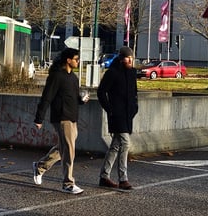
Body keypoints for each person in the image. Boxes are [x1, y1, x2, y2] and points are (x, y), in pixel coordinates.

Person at [33, 47, 88, 194]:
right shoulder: (56, 76)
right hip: (61, 117)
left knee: (63, 148)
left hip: (72, 117)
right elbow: (47, 97)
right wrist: (39, 118)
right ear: (68, 60)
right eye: (76, 59)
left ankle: (40, 166)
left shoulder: (73, 78)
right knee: (69, 151)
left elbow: (75, 98)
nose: (78, 61)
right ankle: (68, 183)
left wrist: (82, 100)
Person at [97, 45, 139, 190]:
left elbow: (134, 92)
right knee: (125, 143)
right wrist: (109, 109)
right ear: (121, 59)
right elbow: (101, 92)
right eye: (128, 58)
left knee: (115, 145)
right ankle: (123, 178)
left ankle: (104, 176)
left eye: (132, 58)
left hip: (128, 114)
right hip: (116, 114)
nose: (130, 61)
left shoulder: (132, 73)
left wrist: (135, 107)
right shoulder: (112, 73)